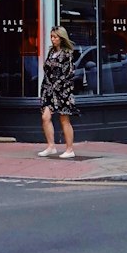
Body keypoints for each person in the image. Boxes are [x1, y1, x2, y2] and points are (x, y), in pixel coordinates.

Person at [38, 25, 77, 158]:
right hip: (48, 89)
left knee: (64, 119)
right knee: (45, 117)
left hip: (62, 91)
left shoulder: (68, 53)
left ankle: (69, 149)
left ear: (61, 38)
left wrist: (59, 86)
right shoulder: (51, 52)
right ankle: (51, 146)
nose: (52, 39)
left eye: (55, 37)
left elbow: (69, 73)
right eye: (51, 37)